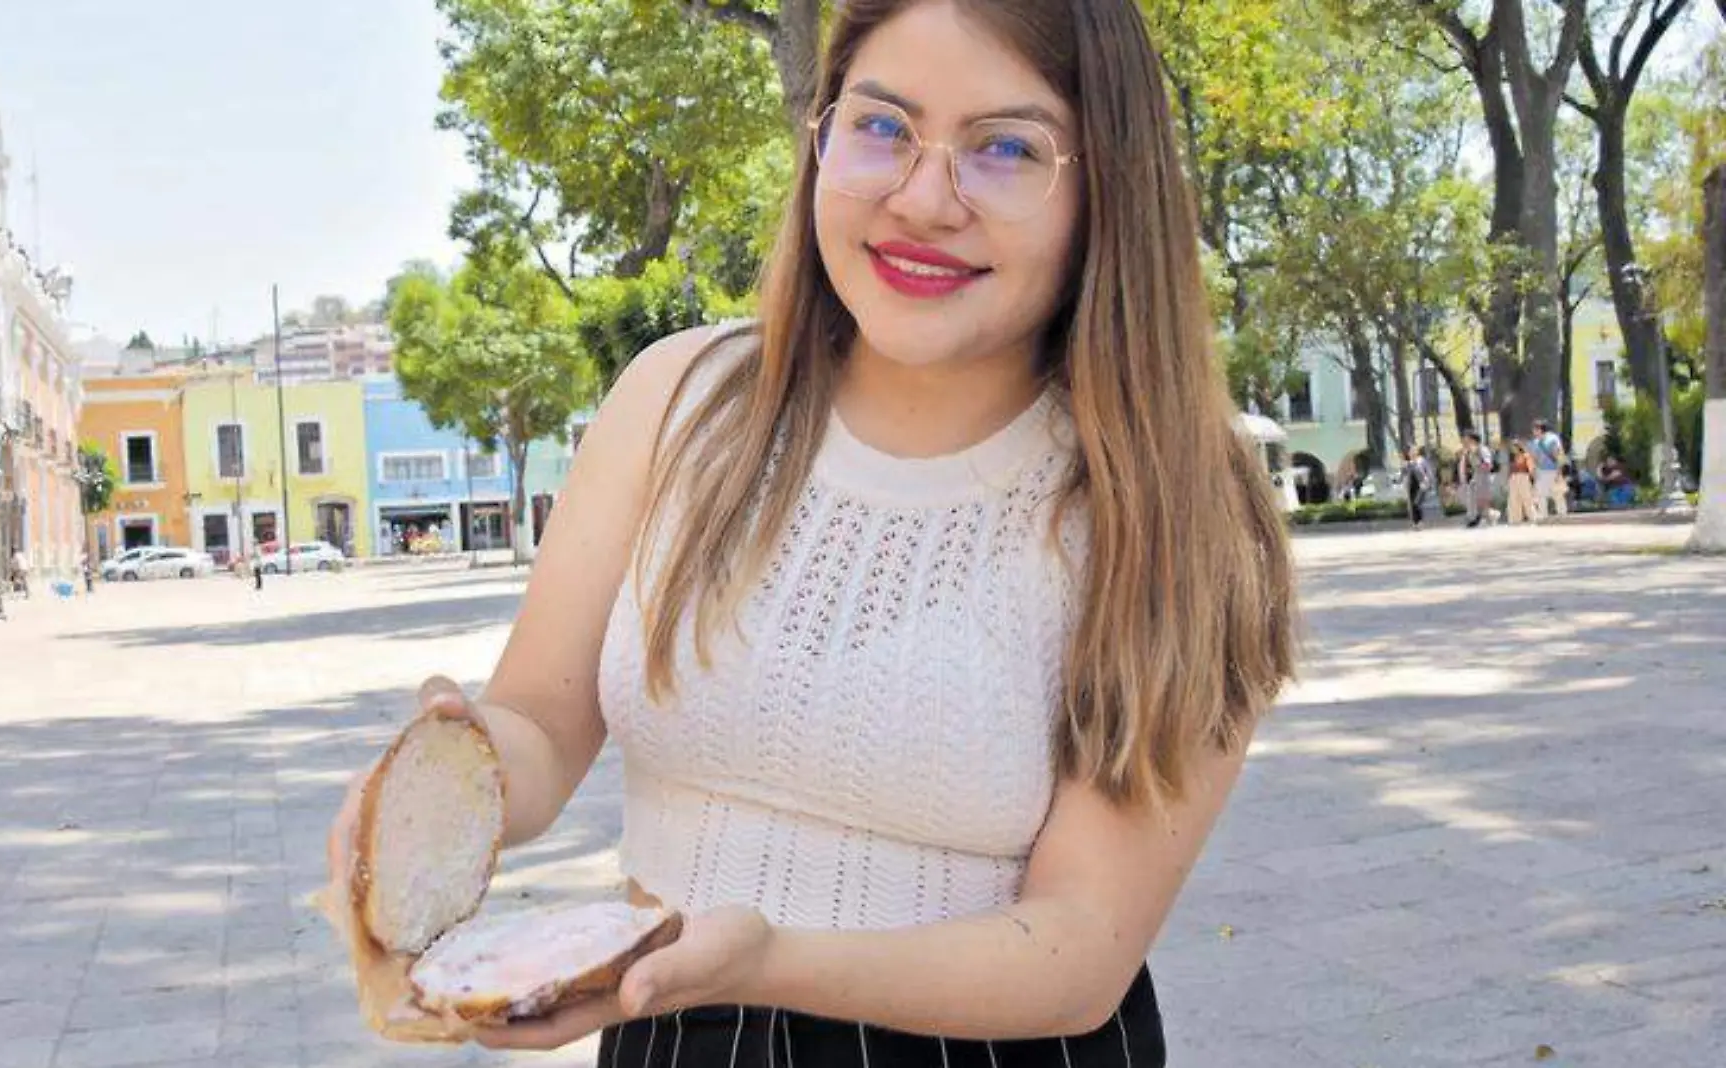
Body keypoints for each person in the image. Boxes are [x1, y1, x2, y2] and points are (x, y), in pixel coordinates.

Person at [326, 1, 1296, 1064]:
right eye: (881, 127)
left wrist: (764, 961)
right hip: (671, 1033)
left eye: (1006, 148)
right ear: (820, 136)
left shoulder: (1177, 505)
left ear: (1108, 185)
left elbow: (1077, 950)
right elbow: (541, 725)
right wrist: (439, 788)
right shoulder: (676, 400)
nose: (923, 199)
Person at [1530, 420, 1568, 519]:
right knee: (1540, 495)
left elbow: (1558, 455)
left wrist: (1559, 471)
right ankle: (1543, 516)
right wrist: (1534, 471)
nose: (1533, 432)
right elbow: (1534, 458)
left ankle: (1562, 515)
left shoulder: (1552, 439)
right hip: (1541, 471)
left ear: (1540, 430)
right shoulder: (1535, 442)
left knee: (1557, 494)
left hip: (1553, 470)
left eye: (1535, 429)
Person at [1459, 431, 1495, 528]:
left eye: (1467, 439)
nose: (1465, 441)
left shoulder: (1482, 450)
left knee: (1482, 499)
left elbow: (1488, 465)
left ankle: (1487, 517)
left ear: (1473, 440)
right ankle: (1476, 518)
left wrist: (1479, 465)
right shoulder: (1469, 451)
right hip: (1476, 476)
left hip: (1484, 477)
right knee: (1473, 498)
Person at [1507, 441, 1540, 525]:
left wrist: (1533, 480)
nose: (1513, 448)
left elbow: (1531, 469)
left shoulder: (1526, 456)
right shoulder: (1513, 458)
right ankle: (1515, 519)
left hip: (1523, 477)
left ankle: (1532, 517)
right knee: (1513, 499)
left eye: (1514, 446)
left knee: (1527, 498)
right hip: (1514, 478)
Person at [1403, 446, 1431, 530]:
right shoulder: (1408, 463)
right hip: (1411, 485)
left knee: (1417, 503)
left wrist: (1428, 482)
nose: (1412, 453)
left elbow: (1428, 472)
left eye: (1413, 451)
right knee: (1412, 505)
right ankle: (1415, 523)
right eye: (1410, 452)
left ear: (1417, 452)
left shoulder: (1422, 461)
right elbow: (1404, 474)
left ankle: (1420, 522)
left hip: (1421, 485)